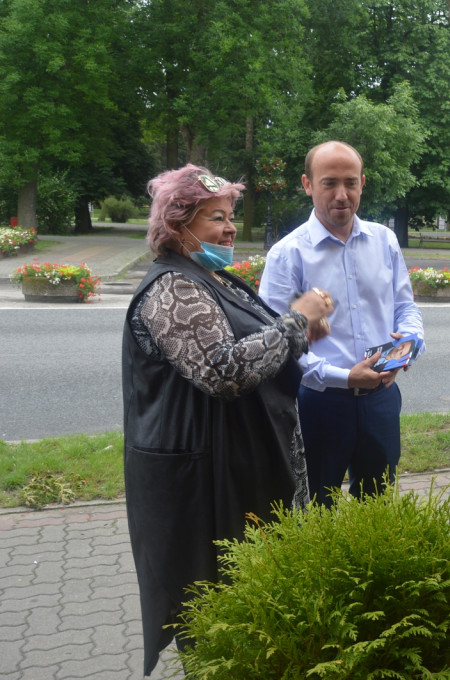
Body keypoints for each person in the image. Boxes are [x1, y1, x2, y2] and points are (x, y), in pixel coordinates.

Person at [122, 164, 333, 676]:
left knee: (259, 612)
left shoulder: (214, 278)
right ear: (177, 225)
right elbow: (223, 370)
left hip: (240, 468)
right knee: (220, 617)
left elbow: (254, 353)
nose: (231, 227)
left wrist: (300, 335)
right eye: (216, 217)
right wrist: (296, 322)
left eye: (231, 215)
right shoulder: (172, 288)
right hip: (205, 487)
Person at [260, 141, 424, 504]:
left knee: (378, 506)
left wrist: (411, 341)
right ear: (307, 184)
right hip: (319, 404)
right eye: (328, 183)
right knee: (317, 507)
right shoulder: (288, 255)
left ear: (363, 183)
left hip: (382, 398)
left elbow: (404, 305)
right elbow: (274, 345)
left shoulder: (385, 241)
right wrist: (344, 376)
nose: (341, 194)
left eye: (350, 182)